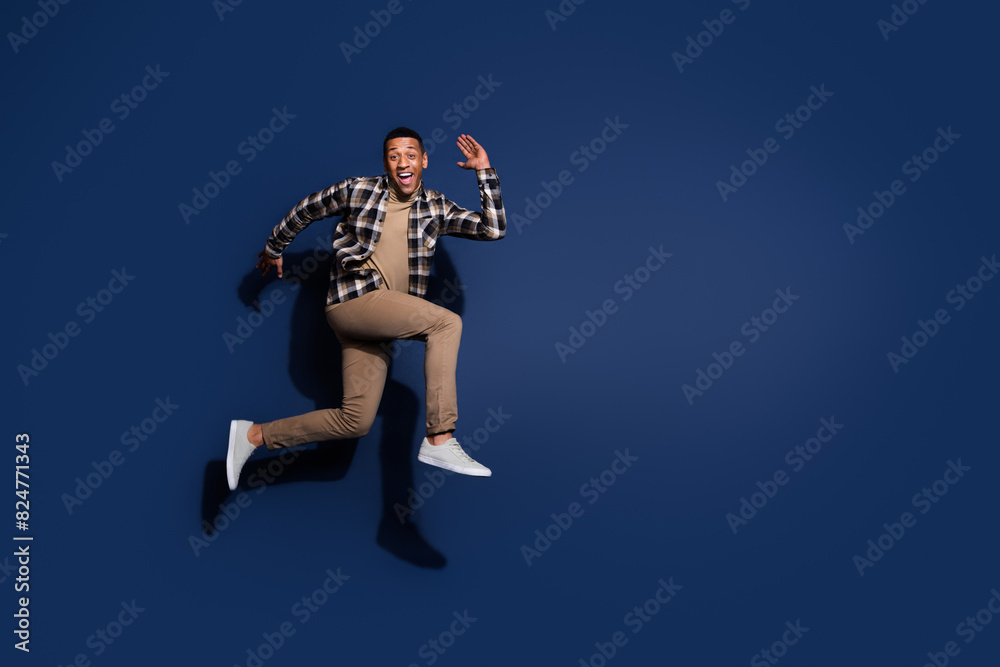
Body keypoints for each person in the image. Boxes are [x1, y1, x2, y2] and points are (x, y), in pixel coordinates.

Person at [225, 128, 505, 491]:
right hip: (352, 301)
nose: (402, 162)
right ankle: (440, 438)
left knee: (354, 421)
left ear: (422, 162)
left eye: (409, 155)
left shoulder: (436, 207)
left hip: (378, 323)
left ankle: (254, 435)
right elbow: (307, 209)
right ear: (386, 163)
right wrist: (275, 248)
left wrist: (484, 171)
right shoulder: (359, 190)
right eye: (393, 155)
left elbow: (493, 229)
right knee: (446, 324)